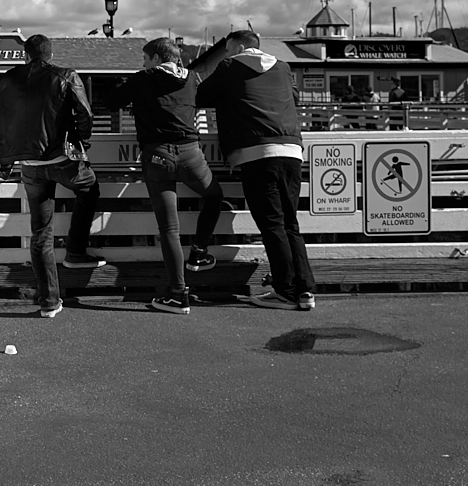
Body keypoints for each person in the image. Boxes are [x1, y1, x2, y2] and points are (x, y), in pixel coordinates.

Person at [0, 34, 102, 318]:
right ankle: (76, 251)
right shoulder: (66, 76)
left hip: (30, 164)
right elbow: (86, 114)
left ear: (26, 55)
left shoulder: (8, 78)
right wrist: (81, 139)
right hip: (63, 159)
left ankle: (49, 302)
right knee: (89, 188)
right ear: (50, 54)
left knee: (41, 232)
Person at [195, 29, 316, 311]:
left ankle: (285, 291)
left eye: (227, 49)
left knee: (272, 225)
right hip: (292, 151)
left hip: (257, 153)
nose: (225, 55)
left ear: (238, 48)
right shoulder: (282, 67)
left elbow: (200, 97)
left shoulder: (229, 66)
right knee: (290, 224)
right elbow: (294, 97)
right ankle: (304, 290)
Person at [113, 35, 233, 313]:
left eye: (145, 59)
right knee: (214, 196)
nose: (143, 64)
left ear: (156, 58)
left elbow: (112, 101)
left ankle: (178, 294)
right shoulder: (192, 79)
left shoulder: (143, 79)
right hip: (191, 154)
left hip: (157, 155)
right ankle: (199, 252)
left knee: (169, 229)